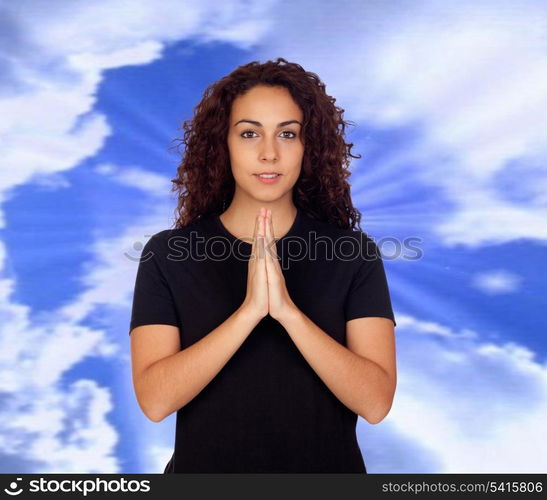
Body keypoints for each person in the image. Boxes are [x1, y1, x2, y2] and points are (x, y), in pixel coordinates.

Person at [129, 57, 397, 473]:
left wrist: (288, 313)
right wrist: (249, 312)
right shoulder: (168, 254)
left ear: (309, 147)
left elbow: (376, 403)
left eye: (287, 134)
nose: (269, 153)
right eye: (250, 133)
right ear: (224, 143)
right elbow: (155, 400)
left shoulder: (353, 254)